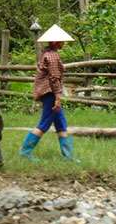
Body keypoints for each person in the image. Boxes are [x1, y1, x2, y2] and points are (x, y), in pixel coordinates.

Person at [19, 24, 78, 162]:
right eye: (62, 41)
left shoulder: (48, 53)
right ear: (55, 42)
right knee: (45, 123)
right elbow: (54, 78)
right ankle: (25, 152)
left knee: (61, 124)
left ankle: (68, 156)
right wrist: (58, 98)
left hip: (48, 92)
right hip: (50, 93)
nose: (64, 43)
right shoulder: (52, 56)